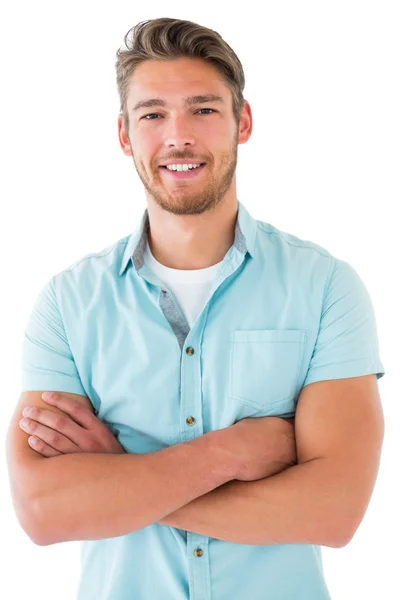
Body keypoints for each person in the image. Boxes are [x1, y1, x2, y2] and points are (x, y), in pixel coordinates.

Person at [6, 17, 385, 600]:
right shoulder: (68, 304)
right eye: (153, 114)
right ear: (125, 135)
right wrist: (231, 452)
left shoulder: (326, 287)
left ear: (244, 122)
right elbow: (44, 511)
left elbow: (334, 512)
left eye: (203, 109)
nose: (177, 136)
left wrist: (122, 477)